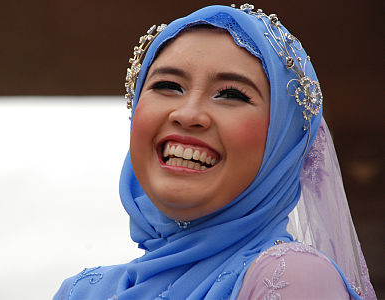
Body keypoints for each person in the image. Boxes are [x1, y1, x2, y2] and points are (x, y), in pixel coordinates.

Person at [54, 4, 376, 299]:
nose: (188, 114)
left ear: (282, 144)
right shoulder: (79, 292)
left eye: (231, 94)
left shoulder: (290, 277)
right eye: (167, 86)